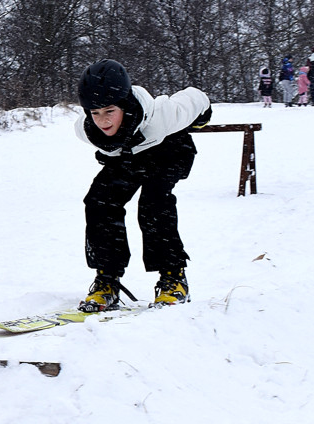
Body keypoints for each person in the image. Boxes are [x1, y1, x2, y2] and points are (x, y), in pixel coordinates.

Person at [74, 59, 211, 313]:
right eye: (95, 113)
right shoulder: (86, 131)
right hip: (128, 158)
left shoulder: (164, 115)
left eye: (109, 111)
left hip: (169, 151)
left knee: (153, 201)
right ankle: (107, 280)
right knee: (99, 201)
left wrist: (201, 118)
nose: (103, 121)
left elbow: (197, 97)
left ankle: (173, 278)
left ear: (124, 105)